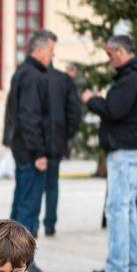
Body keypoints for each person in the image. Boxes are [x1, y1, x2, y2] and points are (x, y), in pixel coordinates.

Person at [82, 35, 137, 272]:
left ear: (122, 52)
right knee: (126, 208)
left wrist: (91, 100)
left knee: (116, 208)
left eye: (110, 54)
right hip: (132, 150)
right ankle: (130, 263)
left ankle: (117, 266)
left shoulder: (131, 78)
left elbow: (114, 109)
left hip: (125, 152)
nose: (109, 58)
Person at [3, 30, 56, 272]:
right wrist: (39, 153)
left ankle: (9, 258)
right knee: (28, 209)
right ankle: (23, 264)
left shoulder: (22, 72)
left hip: (22, 149)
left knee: (21, 205)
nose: (52, 55)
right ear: (38, 50)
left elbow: (13, 112)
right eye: (50, 50)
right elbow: (30, 117)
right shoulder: (33, 76)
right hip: (30, 152)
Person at [43, 60, 84, 237]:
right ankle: (50, 224)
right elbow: (75, 113)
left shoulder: (30, 77)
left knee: (34, 186)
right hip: (57, 140)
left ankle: (32, 227)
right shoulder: (63, 79)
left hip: (37, 140)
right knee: (52, 184)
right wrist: (66, 134)